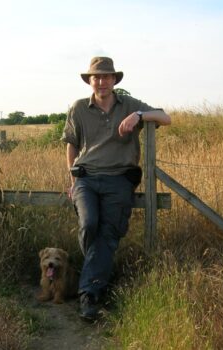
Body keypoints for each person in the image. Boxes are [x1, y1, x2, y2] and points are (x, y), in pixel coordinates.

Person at [61, 56, 171, 321]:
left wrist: (139, 115)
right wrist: (74, 179)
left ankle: (88, 294)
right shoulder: (78, 108)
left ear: (114, 80)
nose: (101, 82)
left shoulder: (129, 104)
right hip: (86, 177)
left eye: (106, 77)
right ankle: (99, 278)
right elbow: (71, 144)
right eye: (96, 77)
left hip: (120, 178)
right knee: (89, 225)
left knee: (109, 231)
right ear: (90, 81)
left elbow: (166, 117)